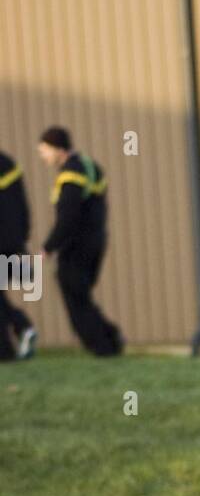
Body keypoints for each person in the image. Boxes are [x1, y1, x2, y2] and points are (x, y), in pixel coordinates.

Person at [37, 126, 124, 356]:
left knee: (76, 299)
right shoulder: (90, 166)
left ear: (57, 149)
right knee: (82, 296)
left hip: (77, 246)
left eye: (44, 150)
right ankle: (110, 338)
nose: (42, 156)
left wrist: (48, 247)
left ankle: (104, 346)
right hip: (96, 241)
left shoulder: (70, 174)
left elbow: (68, 216)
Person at [0, 150, 38, 360]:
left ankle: (12, 340)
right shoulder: (8, 163)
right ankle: (21, 328)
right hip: (13, 239)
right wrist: (22, 238)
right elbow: (22, 205)